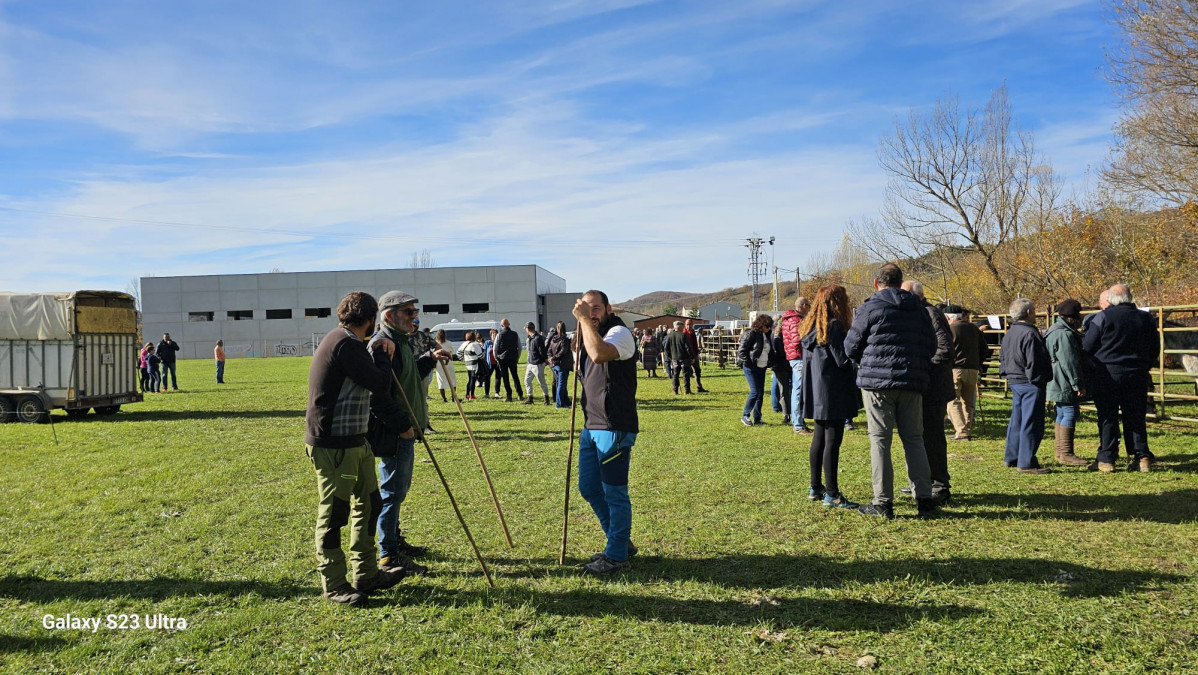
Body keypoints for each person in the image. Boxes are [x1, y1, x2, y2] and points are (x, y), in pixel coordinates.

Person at [304, 291, 409, 607]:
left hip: (356, 441)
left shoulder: (346, 341)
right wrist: (382, 352)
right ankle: (334, 584)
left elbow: (363, 371)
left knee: (370, 504)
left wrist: (374, 347)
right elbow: (379, 382)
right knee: (335, 514)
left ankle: (366, 575)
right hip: (334, 444)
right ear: (370, 320)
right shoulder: (345, 344)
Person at [843, 263, 938, 519]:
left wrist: (867, 360)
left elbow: (851, 346)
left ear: (876, 283)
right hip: (912, 381)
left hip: (877, 383)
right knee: (914, 439)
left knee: (880, 441)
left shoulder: (870, 306)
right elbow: (932, 344)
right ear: (900, 282)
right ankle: (925, 500)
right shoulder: (918, 308)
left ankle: (883, 502)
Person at [369, 291, 452, 575]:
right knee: (392, 492)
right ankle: (388, 555)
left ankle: (395, 541)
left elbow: (406, 378)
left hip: (406, 429)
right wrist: (403, 427)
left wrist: (429, 357)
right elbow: (378, 396)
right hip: (395, 432)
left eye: (414, 310)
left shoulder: (400, 343)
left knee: (397, 491)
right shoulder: (383, 345)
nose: (414, 316)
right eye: (407, 311)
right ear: (388, 316)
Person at [572, 290, 639, 577]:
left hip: (614, 425)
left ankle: (616, 555)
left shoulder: (620, 333)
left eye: (596, 308)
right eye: (587, 309)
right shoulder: (589, 335)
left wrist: (585, 321)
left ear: (608, 308)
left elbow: (599, 354)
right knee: (588, 488)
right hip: (592, 425)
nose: (592, 313)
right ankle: (620, 541)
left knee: (614, 492)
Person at [1082, 284, 1159, 473]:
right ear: (1130, 297)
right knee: (1136, 416)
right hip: (1137, 373)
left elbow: (1087, 346)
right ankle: (1142, 457)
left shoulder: (1103, 317)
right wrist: (1143, 366)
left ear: (1111, 299)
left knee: (1108, 416)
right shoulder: (1146, 318)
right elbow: (1155, 348)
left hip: (1107, 374)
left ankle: (1107, 459)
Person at [800, 285, 861, 509]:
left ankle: (815, 486)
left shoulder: (811, 327)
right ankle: (832, 494)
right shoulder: (833, 327)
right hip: (833, 391)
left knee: (819, 438)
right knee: (832, 442)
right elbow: (842, 361)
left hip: (816, 391)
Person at [902, 281, 956, 504]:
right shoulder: (916, 312)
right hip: (921, 385)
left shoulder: (931, 313)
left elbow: (944, 350)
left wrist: (919, 364)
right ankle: (922, 481)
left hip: (933, 387)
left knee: (932, 437)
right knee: (918, 436)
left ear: (918, 295)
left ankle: (939, 485)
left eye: (904, 293)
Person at [999, 298, 1052, 474]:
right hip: (1030, 382)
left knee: (1017, 420)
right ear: (1028, 312)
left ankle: (1011, 456)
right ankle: (1026, 462)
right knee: (1032, 422)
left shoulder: (1010, 333)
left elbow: (1003, 357)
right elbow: (1035, 361)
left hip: (1015, 380)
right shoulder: (1030, 333)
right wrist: (1038, 380)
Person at [1045, 299, 1090, 467]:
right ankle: (1066, 453)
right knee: (1070, 411)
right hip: (1064, 379)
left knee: (1062, 412)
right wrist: (1077, 384)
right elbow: (1069, 362)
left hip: (1056, 378)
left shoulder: (1054, 329)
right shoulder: (1065, 334)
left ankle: (1060, 451)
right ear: (1074, 316)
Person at [944, 305, 988, 441]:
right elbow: (985, 350)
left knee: (953, 401)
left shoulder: (949, 329)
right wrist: (977, 362)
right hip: (973, 369)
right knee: (968, 402)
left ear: (947, 317)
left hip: (955, 369)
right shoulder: (975, 329)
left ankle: (961, 431)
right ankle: (967, 429)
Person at [782, 297, 813, 435]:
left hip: (794, 357)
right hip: (799, 358)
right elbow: (797, 342)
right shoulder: (796, 320)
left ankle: (799, 422)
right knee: (798, 391)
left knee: (797, 390)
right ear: (804, 306)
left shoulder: (789, 319)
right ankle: (798, 425)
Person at [737, 314, 774, 426]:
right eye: (767, 326)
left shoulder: (766, 335)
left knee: (760, 393)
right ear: (762, 325)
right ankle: (745, 415)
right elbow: (742, 351)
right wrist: (749, 364)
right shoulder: (750, 334)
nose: (769, 328)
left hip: (762, 367)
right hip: (751, 367)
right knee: (755, 391)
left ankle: (757, 418)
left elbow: (769, 351)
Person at [495, 318, 524, 402]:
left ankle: (509, 396)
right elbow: (520, 347)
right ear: (509, 324)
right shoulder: (515, 334)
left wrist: (497, 358)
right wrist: (517, 357)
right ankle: (520, 394)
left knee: (505, 378)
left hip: (502, 359)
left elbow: (495, 348)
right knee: (515, 376)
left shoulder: (499, 335)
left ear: (502, 325)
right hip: (513, 358)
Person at [547, 321, 574, 408]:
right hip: (562, 364)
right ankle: (559, 403)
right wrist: (554, 358)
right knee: (561, 385)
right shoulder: (564, 340)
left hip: (555, 364)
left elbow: (549, 350)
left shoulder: (553, 339)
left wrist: (551, 358)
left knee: (561, 384)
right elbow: (563, 352)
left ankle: (566, 401)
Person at [769, 323, 792, 425]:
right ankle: (787, 413)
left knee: (783, 391)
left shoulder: (774, 336)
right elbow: (781, 353)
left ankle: (786, 413)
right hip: (785, 365)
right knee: (787, 391)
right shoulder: (779, 337)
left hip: (780, 366)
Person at [523, 322, 551, 405]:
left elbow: (542, 351)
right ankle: (530, 398)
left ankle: (546, 399)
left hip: (537, 364)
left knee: (542, 382)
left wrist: (544, 360)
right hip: (530, 363)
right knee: (527, 381)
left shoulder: (538, 338)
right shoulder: (531, 338)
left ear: (528, 329)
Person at [662, 321, 693, 395]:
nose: (683, 328)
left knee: (675, 375)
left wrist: (670, 357)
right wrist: (691, 357)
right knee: (686, 375)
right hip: (684, 358)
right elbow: (687, 347)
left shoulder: (670, 336)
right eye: (682, 326)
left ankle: (675, 391)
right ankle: (687, 390)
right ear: (679, 326)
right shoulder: (683, 335)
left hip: (674, 359)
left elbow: (666, 348)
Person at [682, 318, 708, 393]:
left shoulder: (693, 332)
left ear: (692, 325)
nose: (688, 326)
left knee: (697, 371)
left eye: (690, 324)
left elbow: (694, 344)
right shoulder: (684, 333)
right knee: (687, 373)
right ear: (685, 325)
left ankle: (699, 387)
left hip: (695, 354)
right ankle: (688, 389)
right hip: (687, 356)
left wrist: (697, 351)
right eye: (687, 324)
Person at [457, 331, 485, 400]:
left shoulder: (464, 344)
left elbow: (458, 353)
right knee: (473, 379)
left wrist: (464, 359)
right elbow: (481, 356)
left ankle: (467, 394)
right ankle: (472, 395)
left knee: (470, 379)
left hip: (467, 364)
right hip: (474, 364)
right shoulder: (475, 344)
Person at [433, 329, 457, 403]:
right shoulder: (449, 343)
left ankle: (444, 398)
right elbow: (452, 352)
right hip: (448, 362)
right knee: (452, 380)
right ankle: (453, 397)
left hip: (439, 363)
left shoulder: (435, 343)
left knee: (441, 380)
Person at [484, 328, 500, 398]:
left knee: (498, 377)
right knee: (487, 378)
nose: (494, 335)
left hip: (498, 363)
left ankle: (497, 393)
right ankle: (487, 393)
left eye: (495, 333)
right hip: (489, 363)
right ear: (490, 335)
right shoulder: (487, 343)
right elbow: (484, 352)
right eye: (492, 334)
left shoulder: (500, 342)